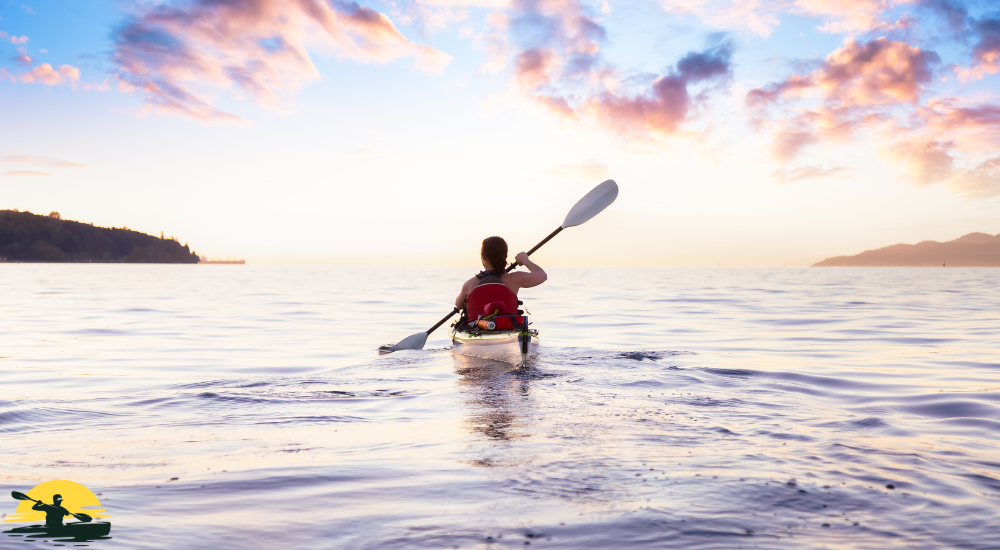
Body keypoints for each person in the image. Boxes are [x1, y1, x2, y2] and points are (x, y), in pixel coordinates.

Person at [455, 236, 547, 310]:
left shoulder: (470, 284)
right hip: (508, 327)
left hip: (478, 328)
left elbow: (459, 305)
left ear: (483, 257)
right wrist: (526, 261)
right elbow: (542, 275)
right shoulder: (515, 279)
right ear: (505, 256)